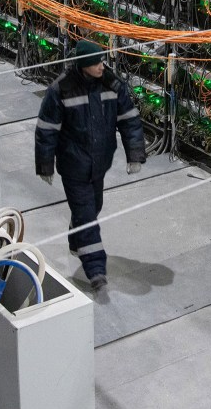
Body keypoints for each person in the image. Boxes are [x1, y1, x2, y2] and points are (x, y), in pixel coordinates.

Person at [35, 41, 146, 289]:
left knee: (94, 206)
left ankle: (77, 240)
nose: (101, 65)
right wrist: (45, 164)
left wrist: (135, 153)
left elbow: (129, 119)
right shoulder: (61, 89)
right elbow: (46, 130)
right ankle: (96, 269)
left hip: (99, 163)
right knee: (87, 216)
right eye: (96, 62)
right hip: (73, 165)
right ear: (83, 64)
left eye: (102, 60)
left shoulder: (111, 83)